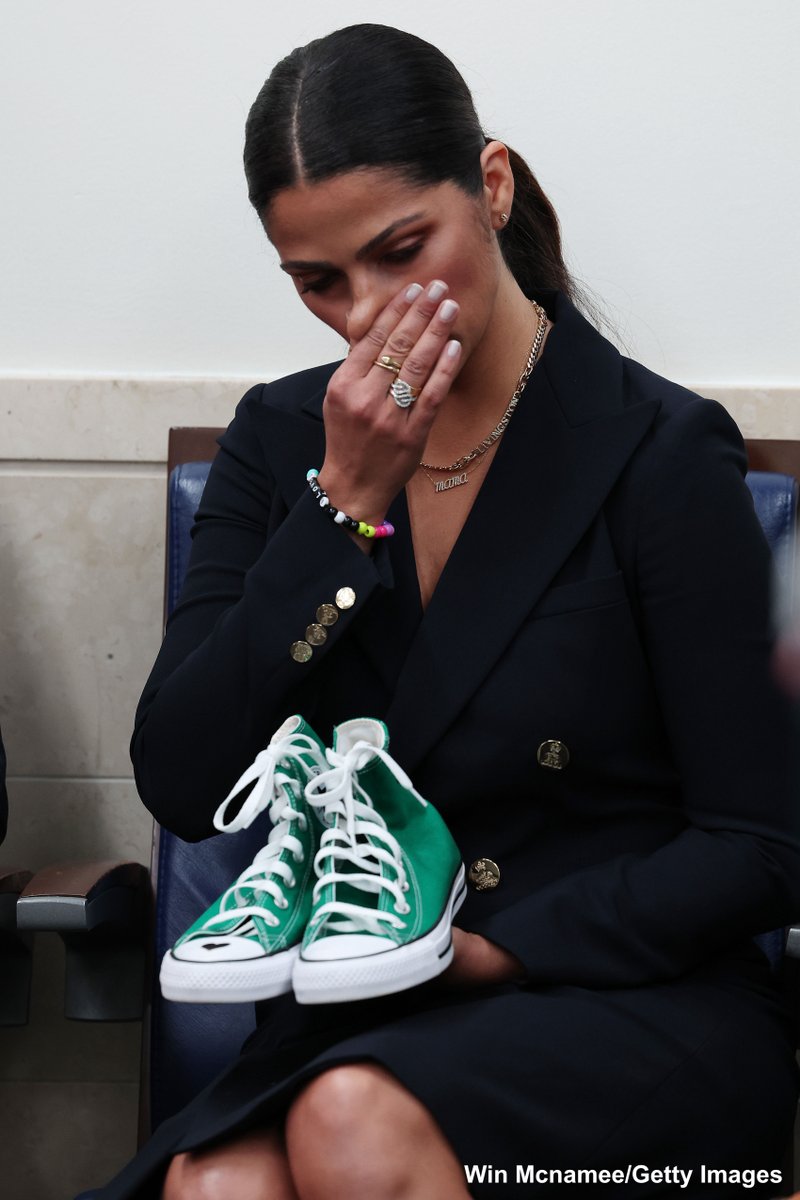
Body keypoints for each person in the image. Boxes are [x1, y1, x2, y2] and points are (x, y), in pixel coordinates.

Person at [97, 23, 800, 1200]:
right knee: (214, 1185)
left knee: (351, 1125)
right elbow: (179, 774)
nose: (366, 313)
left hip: (623, 996)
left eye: (400, 251)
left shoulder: (657, 452)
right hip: (361, 1006)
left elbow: (763, 845)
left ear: (490, 184)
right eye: (319, 282)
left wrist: (494, 948)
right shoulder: (284, 446)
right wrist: (343, 508)